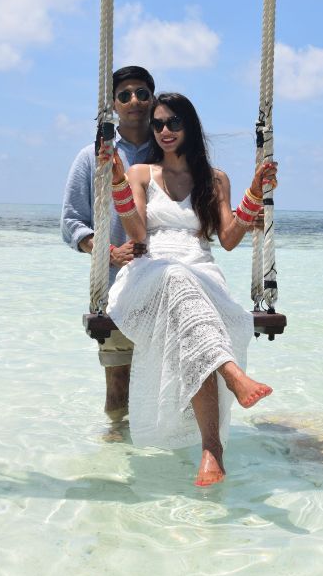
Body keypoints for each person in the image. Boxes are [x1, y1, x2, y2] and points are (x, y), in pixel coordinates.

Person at [100, 92, 277, 486]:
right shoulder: (141, 173)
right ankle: (219, 419)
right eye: (158, 124)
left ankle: (212, 449)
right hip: (151, 271)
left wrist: (253, 191)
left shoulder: (215, 179)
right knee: (175, 277)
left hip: (202, 270)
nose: (164, 130)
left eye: (173, 122)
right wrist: (116, 180)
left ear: (189, 127)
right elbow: (138, 233)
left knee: (190, 294)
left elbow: (228, 238)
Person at [61, 66, 155, 421]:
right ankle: (114, 455)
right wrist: (107, 253)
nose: (135, 101)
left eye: (142, 94)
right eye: (125, 94)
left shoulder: (168, 154)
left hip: (164, 284)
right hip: (117, 288)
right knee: (119, 385)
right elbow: (71, 221)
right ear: (113, 105)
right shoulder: (92, 158)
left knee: (168, 383)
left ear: (152, 100)